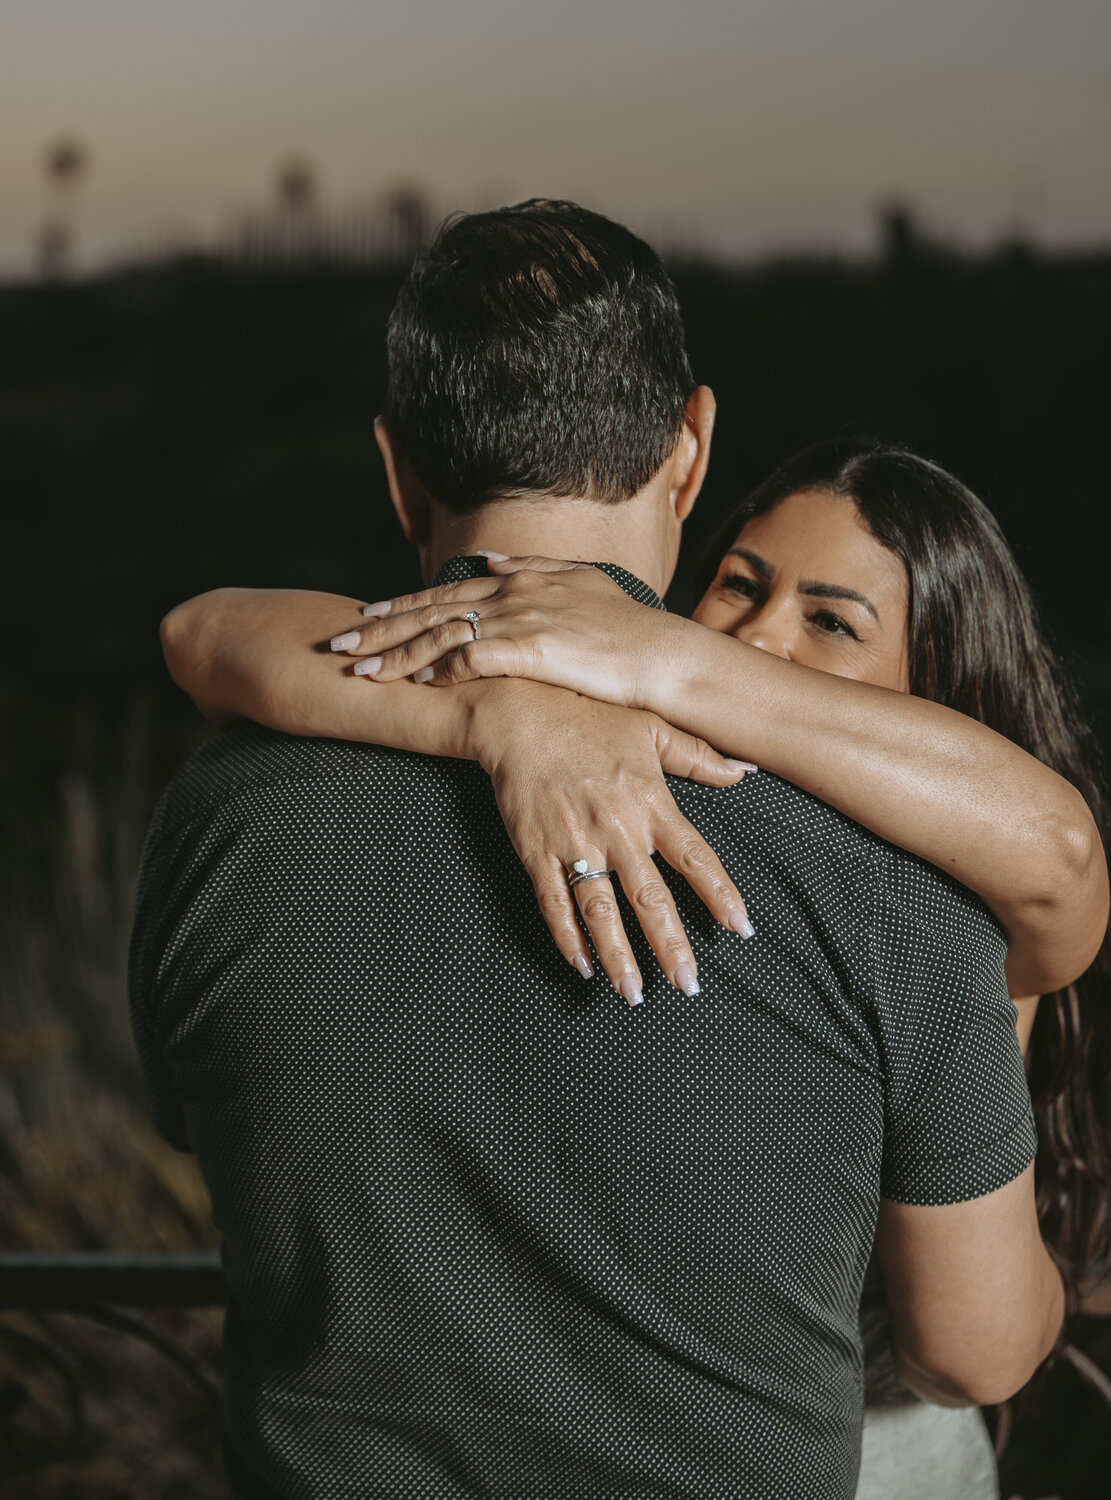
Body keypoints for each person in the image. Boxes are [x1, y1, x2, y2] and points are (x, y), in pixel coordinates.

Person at [135, 202, 1063, 1499]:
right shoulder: (895, 871)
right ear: (690, 452)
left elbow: (197, 1133)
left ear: (399, 469)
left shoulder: (221, 817)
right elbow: (974, 1349)